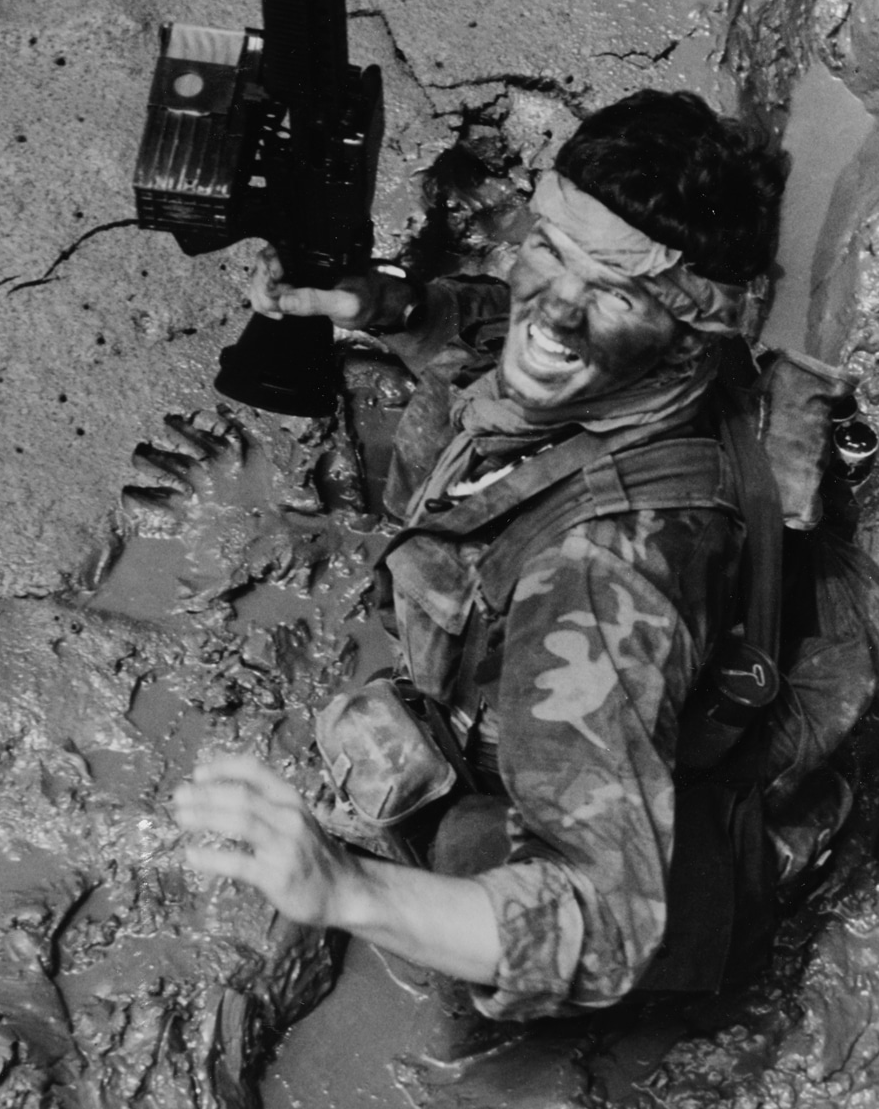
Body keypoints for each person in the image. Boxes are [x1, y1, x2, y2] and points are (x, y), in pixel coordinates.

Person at [174, 89, 799, 1020]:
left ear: (688, 328)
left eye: (618, 294)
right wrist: (386, 303)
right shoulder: (653, 367)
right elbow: (508, 325)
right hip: (599, 589)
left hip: (604, 743)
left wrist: (348, 890)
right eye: (547, 249)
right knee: (486, 370)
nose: (555, 313)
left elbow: (612, 921)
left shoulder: (600, 576)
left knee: (462, 863)